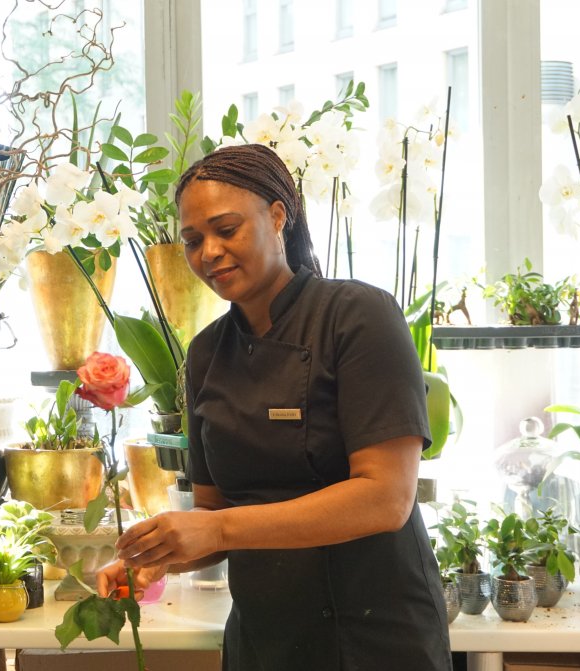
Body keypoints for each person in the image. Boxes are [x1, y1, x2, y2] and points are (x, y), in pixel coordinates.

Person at [97, 144, 452, 670]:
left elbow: (385, 498)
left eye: (226, 229)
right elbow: (216, 514)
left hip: (376, 636)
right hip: (266, 640)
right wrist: (163, 556)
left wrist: (217, 530)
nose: (208, 252)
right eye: (193, 240)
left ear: (278, 215)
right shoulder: (205, 355)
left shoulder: (358, 316)